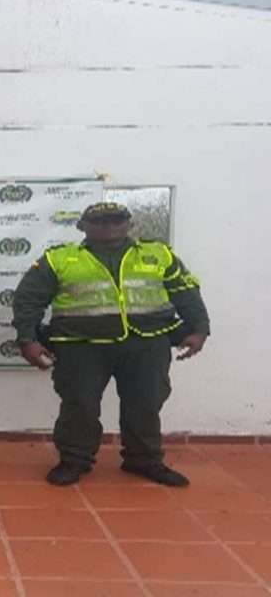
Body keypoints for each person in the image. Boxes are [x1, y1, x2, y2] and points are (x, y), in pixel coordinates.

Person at [12, 202, 210, 487]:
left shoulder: (159, 254)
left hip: (147, 343)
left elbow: (186, 291)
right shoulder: (59, 259)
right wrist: (27, 340)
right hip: (81, 346)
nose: (108, 226)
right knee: (79, 405)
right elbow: (28, 300)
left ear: (129, 224)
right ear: (83, 226)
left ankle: (144, 460)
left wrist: (200, 329)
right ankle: (74, 460)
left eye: (116, 220)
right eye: (99, 221)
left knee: (146, 403)